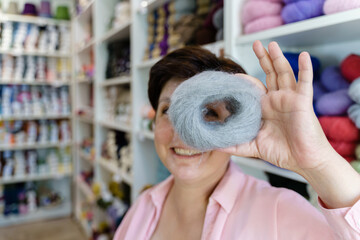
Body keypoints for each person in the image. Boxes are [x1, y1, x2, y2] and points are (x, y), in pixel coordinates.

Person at [114, 41, 360, 240]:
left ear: (238, 127)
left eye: (210, 112)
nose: (183, 133)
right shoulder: (143, 206)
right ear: (154, 120)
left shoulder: (279, 211)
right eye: (168, 110)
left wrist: (318, 163)